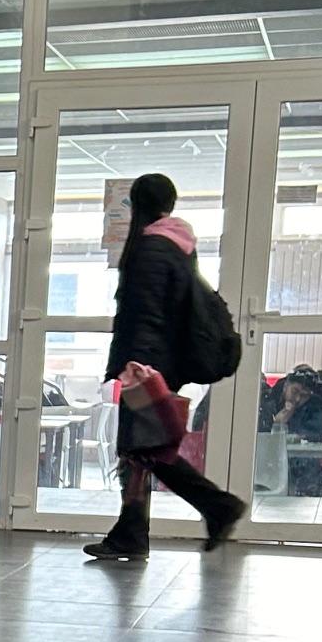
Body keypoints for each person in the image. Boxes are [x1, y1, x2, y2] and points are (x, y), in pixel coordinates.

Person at [85, 173, 245, 561]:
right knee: (139, 451)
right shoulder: (176, 244)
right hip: (162, 363)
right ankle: (132, 534)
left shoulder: (151, 248)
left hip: (146, 365)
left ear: (137, 204)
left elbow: (144, 315)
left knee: (147, 449)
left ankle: (217, 505)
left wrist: (133, 368)